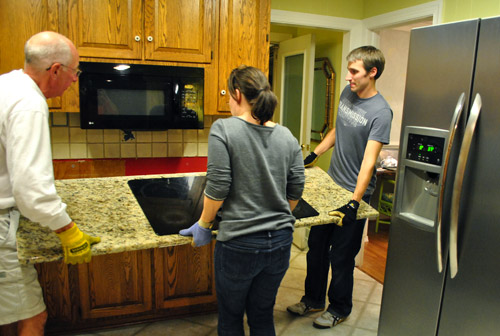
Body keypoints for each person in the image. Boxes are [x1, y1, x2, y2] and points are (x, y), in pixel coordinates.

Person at [179, 65, 305, 336]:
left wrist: (204, 223)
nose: (227, 102)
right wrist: (274, 213)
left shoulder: (224, 128)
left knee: (231, 317)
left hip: (240, 244)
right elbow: (296, 189)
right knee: (262, 315)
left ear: (237, 94)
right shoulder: (287, 135)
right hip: (281, 242)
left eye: (227, 95)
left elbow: (219, 186)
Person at [0, 31, 100, 335]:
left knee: (9, 315)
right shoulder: (29, 102)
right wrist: (69, 231)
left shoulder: (7, 84)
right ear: (55, 69)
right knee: (33, 316)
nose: (74, 80)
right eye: (74, 72)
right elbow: (31, 189)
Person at [286, 46, 392, 329]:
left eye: (354, 72)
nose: (348, 77)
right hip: (332, 186)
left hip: (354, 195)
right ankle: (313, 299)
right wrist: (315, 153)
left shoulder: (381, 113)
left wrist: (355, 201)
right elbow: (338, 129)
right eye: (349, 70)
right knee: (316, 248)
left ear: (373, 72)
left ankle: (340, 308)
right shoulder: (348, 94)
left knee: (341, 257)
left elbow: (369, 162)